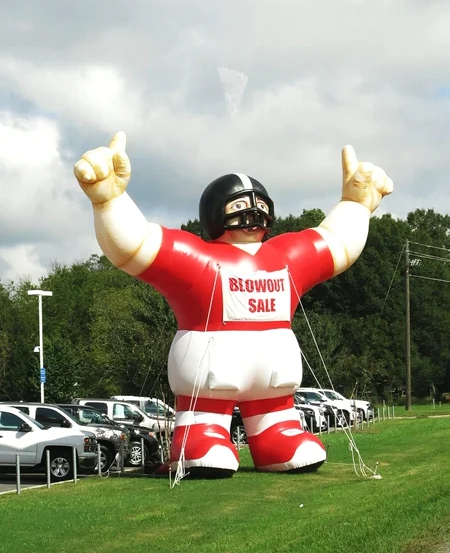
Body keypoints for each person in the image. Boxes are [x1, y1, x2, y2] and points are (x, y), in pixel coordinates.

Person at [74, 132, 393, 477]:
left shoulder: (286, 256)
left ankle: (278, 435)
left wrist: (356, 205)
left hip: (274, 374)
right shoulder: (199, 258)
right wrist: (110, 200)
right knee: (205, 413)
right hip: (213, 370)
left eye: (260, 205)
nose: (253, 213)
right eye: (239, 206)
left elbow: (336, 243)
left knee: (276, 413)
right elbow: (135, 245)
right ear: (216, 213)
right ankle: (200, 437)